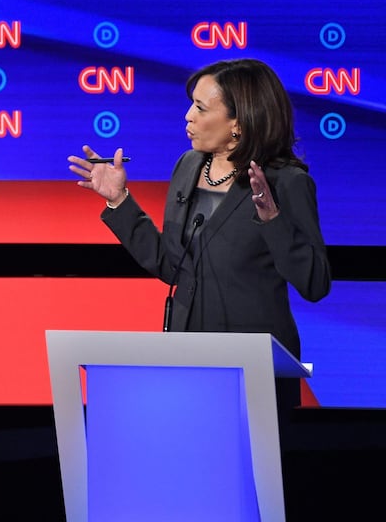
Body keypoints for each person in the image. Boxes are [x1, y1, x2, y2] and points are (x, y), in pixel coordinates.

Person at [67, 58, 331, 420]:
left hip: (252, 374)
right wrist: (119, 201)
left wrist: (273, 219)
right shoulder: (188, 166)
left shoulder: (286, 182)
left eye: (201, 107)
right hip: (188, 362)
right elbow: (171, 265)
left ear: (238, 123)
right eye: (191, 104)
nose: (188, 116)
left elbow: (315, 283)